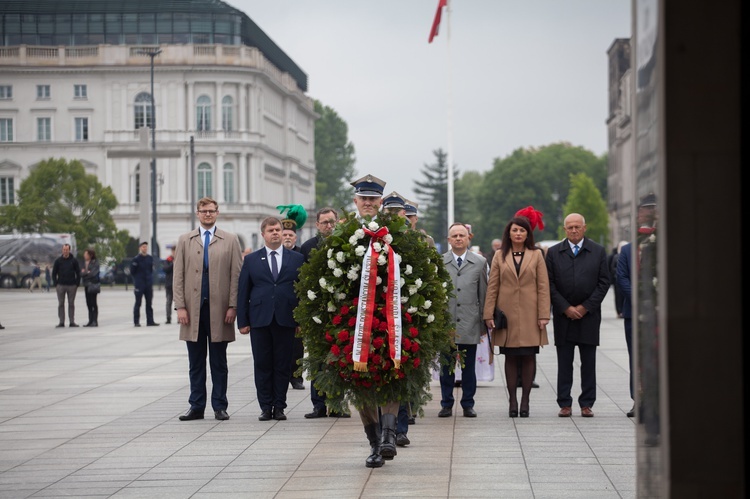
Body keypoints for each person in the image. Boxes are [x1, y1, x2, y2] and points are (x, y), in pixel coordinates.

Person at [174, 197, 243, 422]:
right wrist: (180, 307)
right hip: (193, 311)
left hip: (219, 310)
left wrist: (233, 305)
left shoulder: (230, 240)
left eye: (211, 211)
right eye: (203, 211)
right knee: (195, 362)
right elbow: (178, 276)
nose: (207, 214)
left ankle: (220, 406)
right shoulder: (185, 240)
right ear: (197, 213)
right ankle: (196, 406)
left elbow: (236, 276)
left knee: (218, 362)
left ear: (217, 212)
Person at [237, 216, 305, 422]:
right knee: (263, 364)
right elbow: (243, 291)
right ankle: (265, 406)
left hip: (286, 318)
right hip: (260, 319)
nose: (276, 233)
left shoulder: (296, 259)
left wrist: (301, 320)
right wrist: (243, 321)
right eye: (271, 230)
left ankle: (280, 405)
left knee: (283, 364)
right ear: (263, 234)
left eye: (278, 230)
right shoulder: (251, 260)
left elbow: (301, 291)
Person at [483, 213, 550, 418]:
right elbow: (492, 286)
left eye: (522, 230)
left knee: (529, 356)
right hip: (507, 314)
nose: (518, 233)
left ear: (527, 233)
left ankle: (526, 401)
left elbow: (543, 286)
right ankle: (512, 400)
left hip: (531, 314)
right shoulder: (499, 255)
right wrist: (488, 313)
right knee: (511, 357)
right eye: (515, 230)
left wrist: (543, 314)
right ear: (509, 234)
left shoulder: (536, 255)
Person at [545, 213, 609, 418]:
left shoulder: (597, 251)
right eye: (570, 227)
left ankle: (587, 403)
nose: (573, 230)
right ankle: (564, 402)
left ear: (584, 228)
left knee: (588, 361)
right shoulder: (554, 253)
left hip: (589, 316)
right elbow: (549, 284)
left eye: (577, 227)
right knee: (564, 361)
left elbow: (604, 282)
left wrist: (585, 307)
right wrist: (565, 307)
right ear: (564, 229)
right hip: (564, 316)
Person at [301, 207, 352, 419]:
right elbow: (301, 281)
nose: (329, 226)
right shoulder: (307, 248)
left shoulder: (347, 245)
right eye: (324, 223)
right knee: (318, 358)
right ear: (317, 225)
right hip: (317, 312)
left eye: (332, 222)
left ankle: (338, 403)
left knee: (340, 358)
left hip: (341, 311)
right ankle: (319, 404)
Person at [438, 222, 488, 419]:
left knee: (468, 368)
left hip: (470, 321)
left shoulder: (480, 262)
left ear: (469, 238)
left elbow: (483, 294)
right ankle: (446, 403)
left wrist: (484, 321)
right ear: (449, 240)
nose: (458, 238)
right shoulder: (440, 262)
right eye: (454, 236)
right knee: (446, 367)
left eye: (462, 235)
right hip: (446, 322)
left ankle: (468, 403)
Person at [278, 204, 307, 391]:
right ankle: (281, 375)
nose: (287, 238)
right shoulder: (274, 254)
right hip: (280, 304)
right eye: (284, 235)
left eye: (290, 235)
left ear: (295, 238)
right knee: (280, 345)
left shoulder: (301, 255)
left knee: (297, 345)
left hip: (297, 305)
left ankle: (296, 377)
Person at [52, 243, 81, 328]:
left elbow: (78, 273)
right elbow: (54, 273)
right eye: (64, 250)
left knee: (71, 303)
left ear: (69, 250)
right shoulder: (58, 261)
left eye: (67, 250)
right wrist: (56, 284)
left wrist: (77, 283)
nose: (65, 251)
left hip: (72, 285)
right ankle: (61, 321)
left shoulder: (74, 261)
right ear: (62, 250)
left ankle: (72, 321)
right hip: (60, 285)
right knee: (61, 303)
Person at [130, 241, 158, 327]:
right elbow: (132, 271)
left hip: (148, 284)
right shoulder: (136, 259)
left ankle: (150, 321)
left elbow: (151, 270)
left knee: (149, 303)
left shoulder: (150, 258)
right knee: (138, 303)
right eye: (143, 247)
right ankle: (136, 321)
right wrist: (137, 281)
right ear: (140, 248)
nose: (144, 248)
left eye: (146, 247)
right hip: (139, 284)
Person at [80, 248, 101, 327]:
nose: (84, 256)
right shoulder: (83, 263)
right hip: (86, 285)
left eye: (86, 254)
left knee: (93, 303)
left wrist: (85, 273)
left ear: (90, 255)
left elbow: (93, 273)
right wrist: (86, 272)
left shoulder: (95, 262)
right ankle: (90, 320)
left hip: (93, 285)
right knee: (88, 303)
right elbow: (80, 273)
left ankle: (95, 321)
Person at [163, 244, 175, 324]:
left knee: (179, 302)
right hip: (169, 284)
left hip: (178, 285)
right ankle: (168, 318)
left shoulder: (181, 259)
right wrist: (173, 264)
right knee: (169, 301)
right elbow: (165, 269)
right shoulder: (168, 260)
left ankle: (179, 318)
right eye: (173, 251)